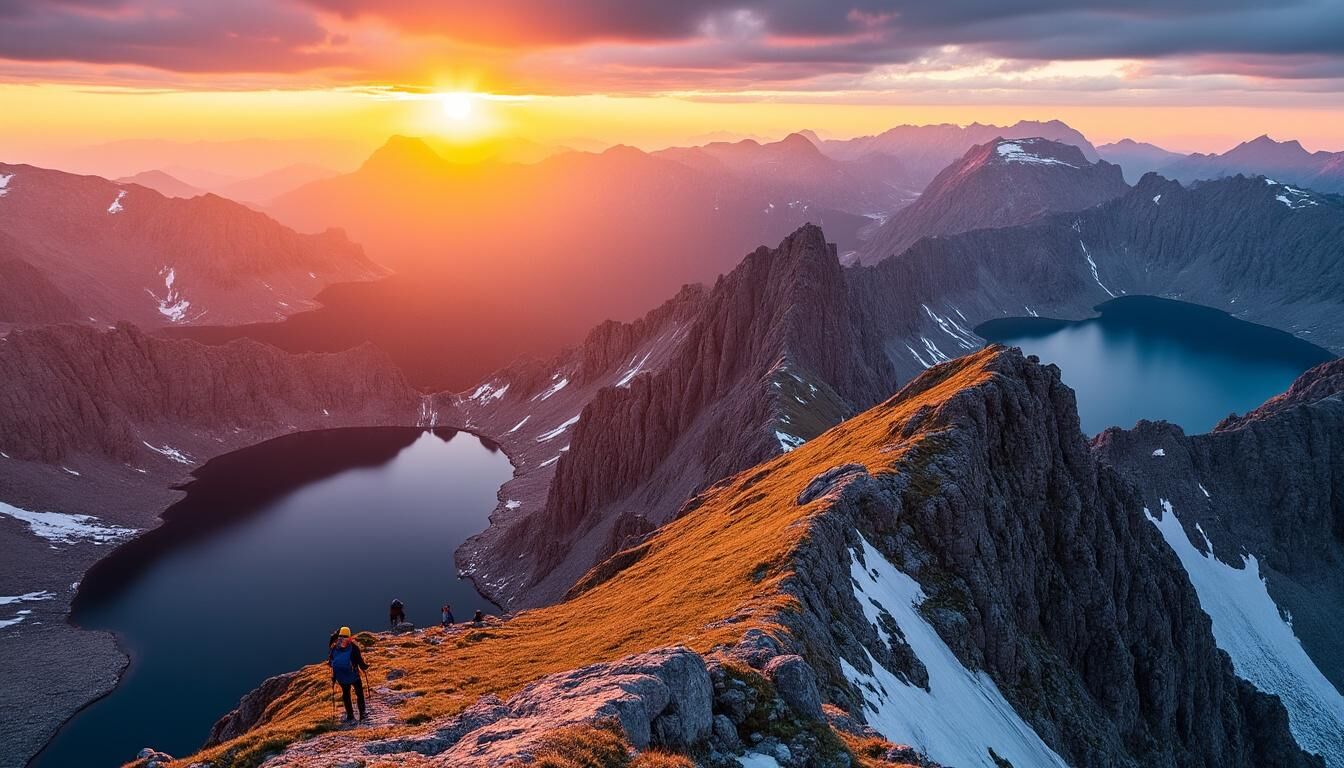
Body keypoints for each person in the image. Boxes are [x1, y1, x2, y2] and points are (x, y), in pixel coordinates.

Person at [328, 626, 369, 722]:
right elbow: (360, 662)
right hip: (353, 675)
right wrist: (365, 667)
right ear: (349, 635)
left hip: (341, 677)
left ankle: (350, 716)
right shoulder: (353, 647)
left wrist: (334, 677)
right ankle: (362, 714)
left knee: (346, 694)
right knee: (359, 693)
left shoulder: (334, 647)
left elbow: (331, 663)